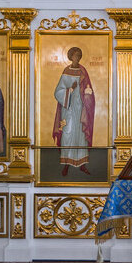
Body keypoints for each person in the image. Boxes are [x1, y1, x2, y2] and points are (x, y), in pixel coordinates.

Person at [52, 47, 96, 175]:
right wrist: (70, 90)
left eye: (79, 55)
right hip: (68, 108)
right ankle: (66, 164)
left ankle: (82, 164)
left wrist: (88, 94)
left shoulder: (83, 71)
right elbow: (57, 92)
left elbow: (88, 89)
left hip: (81, 109)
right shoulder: (66, 71)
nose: (77, 58)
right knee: (67, 134)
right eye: (75, 55)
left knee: (81, 135)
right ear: (70, 57)